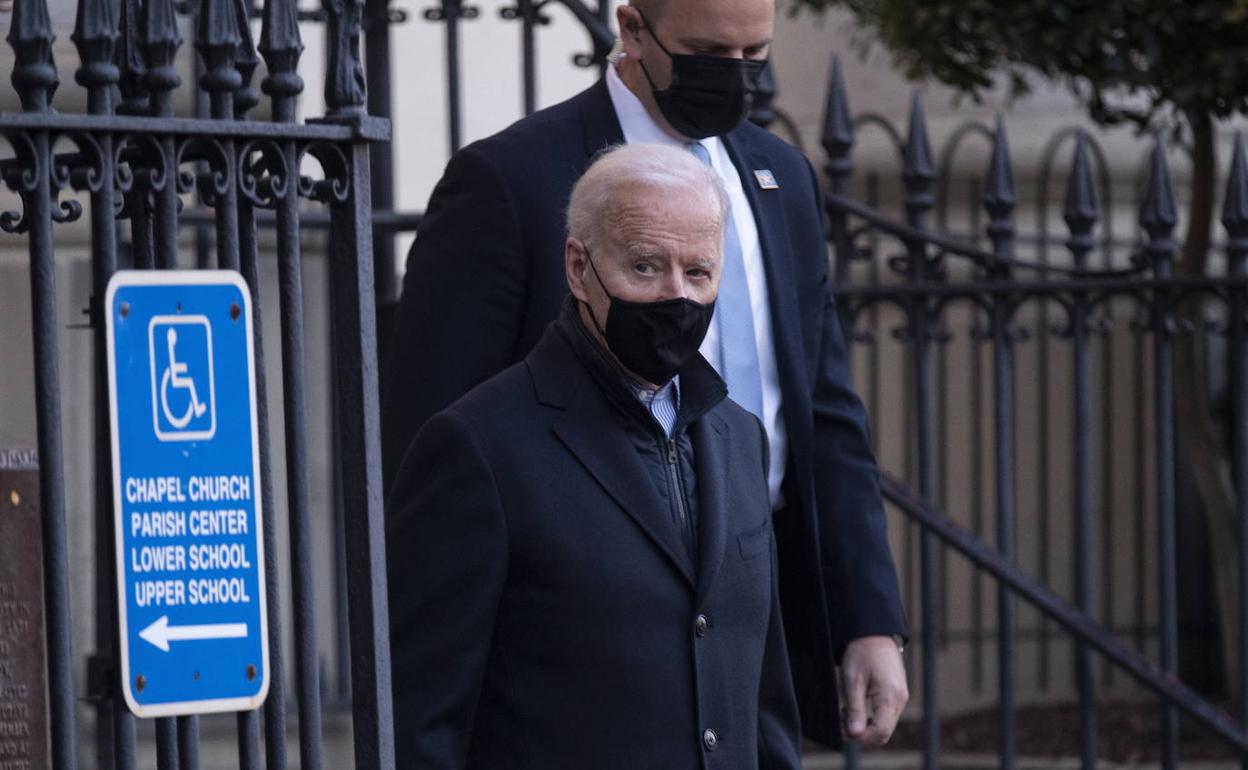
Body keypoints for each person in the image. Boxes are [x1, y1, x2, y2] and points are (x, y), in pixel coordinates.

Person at [382, 0, 908, 747]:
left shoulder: (781, 179)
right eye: (705, 52)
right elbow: (429, 439)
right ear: (632, 30)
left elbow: (823, 412)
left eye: (752, 55)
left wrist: (868, 618)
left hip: (753, 604)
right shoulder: (511, 179)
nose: (733, 77)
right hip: (575, 647)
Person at [386, 143, 802, 768]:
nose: (676, 296)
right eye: (644, 267)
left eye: (698, 273)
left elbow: (763, 701)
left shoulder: (739, 437)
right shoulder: (479, 447)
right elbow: (419, 724)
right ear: (579, 268)